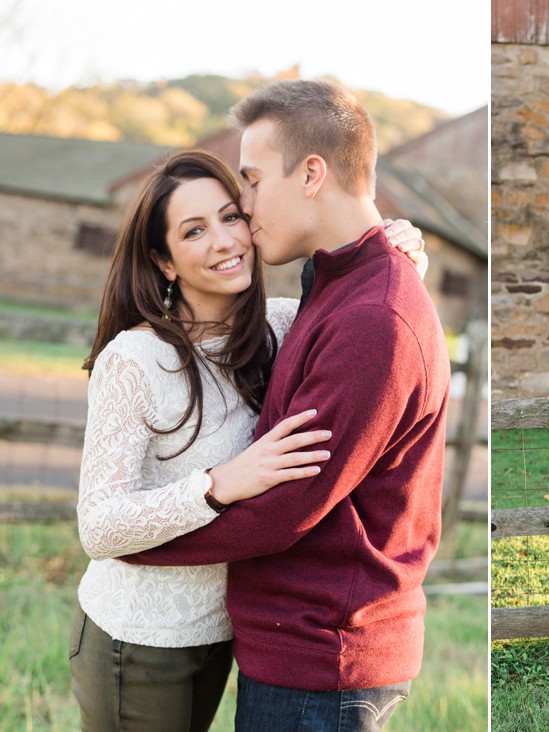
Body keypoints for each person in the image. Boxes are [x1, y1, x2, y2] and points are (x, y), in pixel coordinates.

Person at [121, 79, 451, 732]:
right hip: (304, 652)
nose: (243, 209)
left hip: (323, 664)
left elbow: (281, 511)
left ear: (311, 174)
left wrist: (137, 538)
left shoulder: (372, 318)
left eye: (251, 181)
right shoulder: (337, 287)